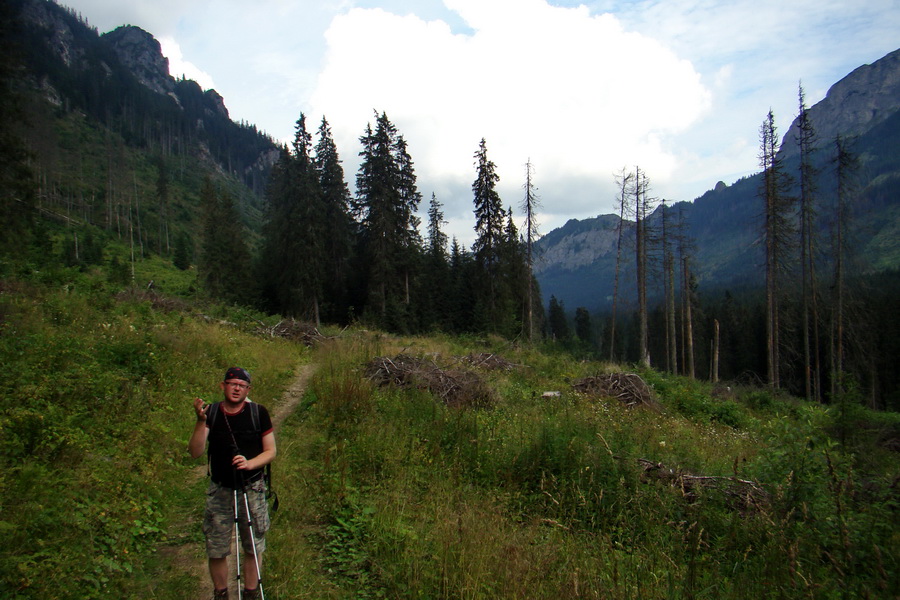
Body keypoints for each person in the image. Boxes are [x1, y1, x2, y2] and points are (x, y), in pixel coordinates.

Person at [189, 367, 276, 600]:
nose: (236, 388)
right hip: (220, 489)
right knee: (216, 547)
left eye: (241, 385)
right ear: (223, 386)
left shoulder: (258, 413)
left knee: (253, 544)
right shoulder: (213, 413)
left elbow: (270, 451)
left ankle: (250, 593)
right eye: (232, 383)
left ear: (248, 390)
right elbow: (195, 452)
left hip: (252, 487)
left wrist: (249, 464)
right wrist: (200, 421)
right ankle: (221, 593)